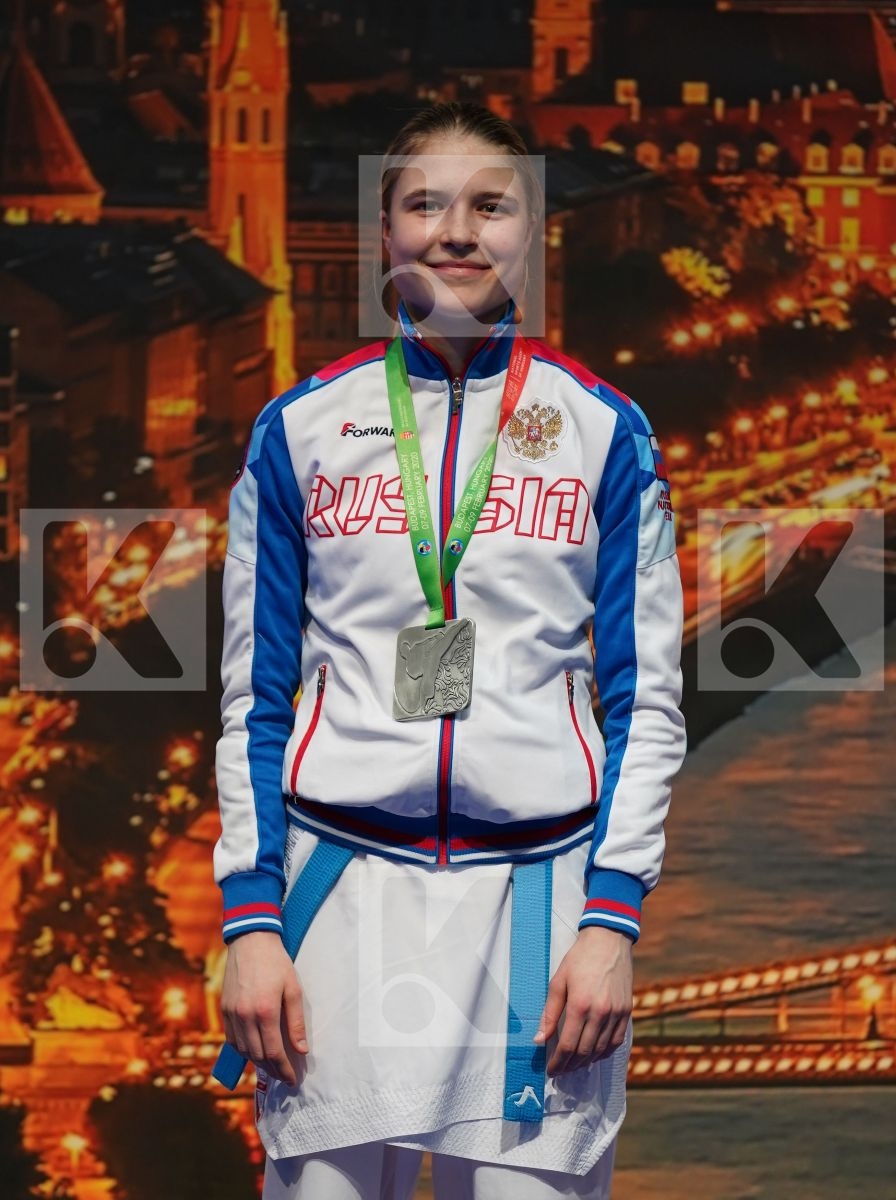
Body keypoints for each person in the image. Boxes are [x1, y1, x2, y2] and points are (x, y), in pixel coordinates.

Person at [213, 101, 687, 1200]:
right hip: (335, 909)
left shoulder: (605, 431)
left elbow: (648, 702)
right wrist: (251, 922)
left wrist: (613, 922)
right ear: (386, 230)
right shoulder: (299, 430)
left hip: (538, 917)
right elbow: (254, 699)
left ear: (533, 233)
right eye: (427, 203)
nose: (458, 232)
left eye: (492, 206)